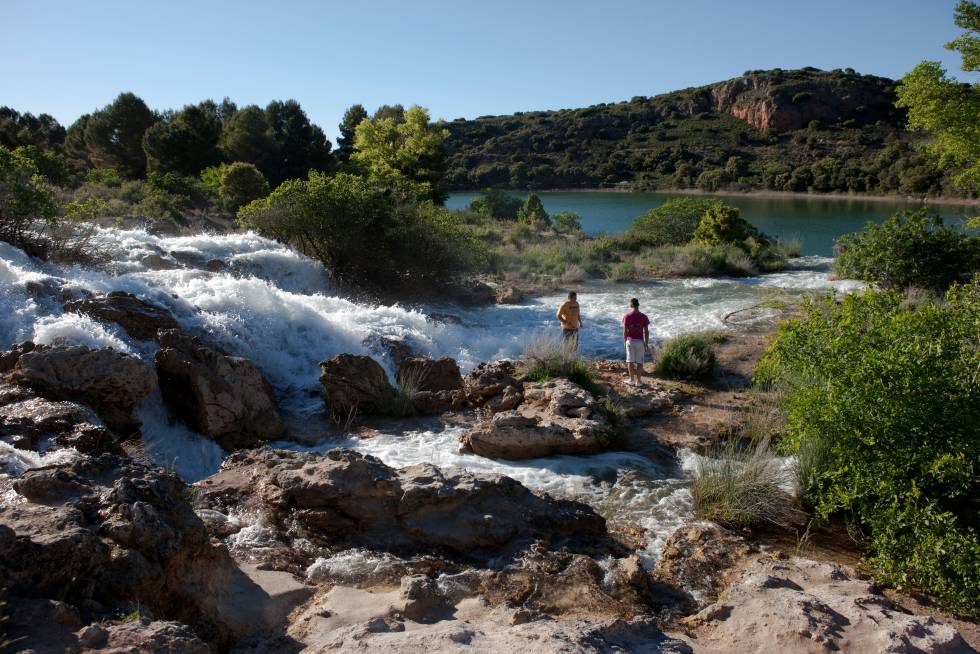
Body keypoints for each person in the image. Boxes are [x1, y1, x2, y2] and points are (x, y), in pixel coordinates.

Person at [622, 297, 650, 386]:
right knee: (639, 362)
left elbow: (625, 331)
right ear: (638, 305)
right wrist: (646, 343)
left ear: (631, 305)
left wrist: (624, 341)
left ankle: (631, 380)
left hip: (630, 341)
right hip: (640, 342)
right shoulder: (644, 317)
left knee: (630, 361)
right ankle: (638, 381)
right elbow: (646, 331)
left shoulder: (627, 316)